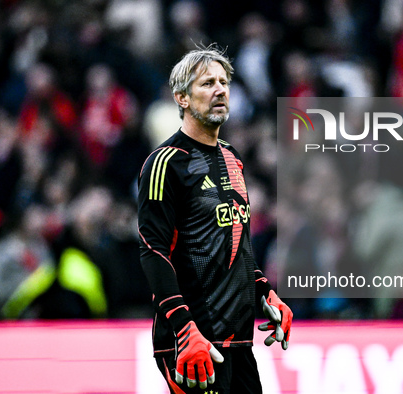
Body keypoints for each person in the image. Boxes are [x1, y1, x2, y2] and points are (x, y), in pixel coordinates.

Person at [137, 44, 292, 394]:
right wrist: (184, 328)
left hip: (239, 343)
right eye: (207, 83)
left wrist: (266, 293)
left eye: (224, 82)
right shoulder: (166, 163)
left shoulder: (232, 158)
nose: (220, 89)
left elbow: (238, 249)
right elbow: (153, 251)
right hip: (193, 342)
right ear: (182, 98)